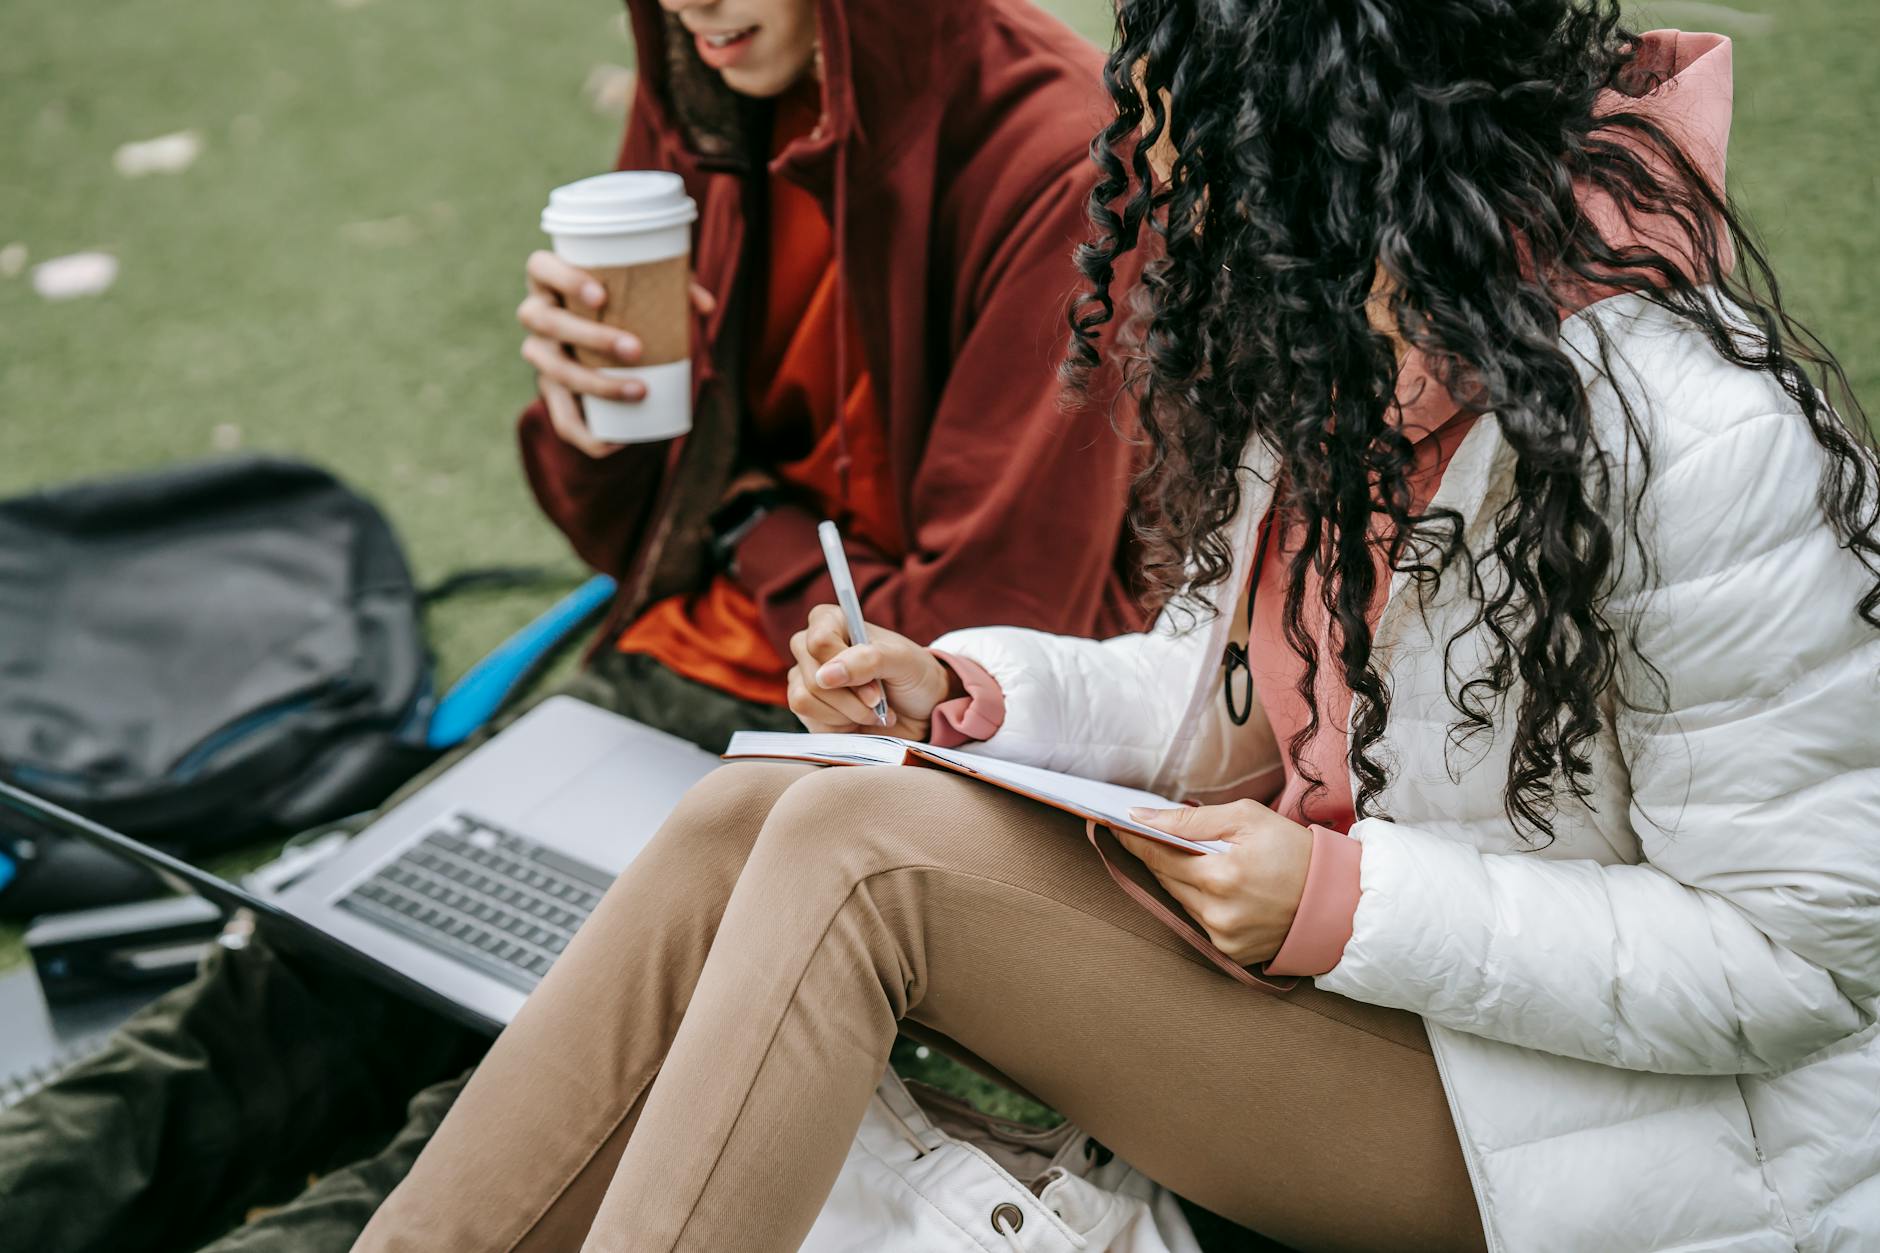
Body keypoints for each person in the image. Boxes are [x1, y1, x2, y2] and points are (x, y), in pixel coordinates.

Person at [351, 5, 1880, 1251]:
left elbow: (1802, 962)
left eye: (1193, 146)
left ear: (1343, 152)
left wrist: (1347, 900)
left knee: (857, 860)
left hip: (1589, 1127)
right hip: (1357, 993)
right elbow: (1215, 690)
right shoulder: (1351, 333)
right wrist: (962, 692)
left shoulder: (1692, 438)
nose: (1162, 191)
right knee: (754, 808)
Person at [0, 1, 1146, 1249]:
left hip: (850, 756)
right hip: (661, 677)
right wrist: (594, 426)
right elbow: (642, 535)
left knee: (485, 1124)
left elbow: (966, 647)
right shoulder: (709, 71)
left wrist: (729, 520)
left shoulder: (1066, 157)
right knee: (280, 992)